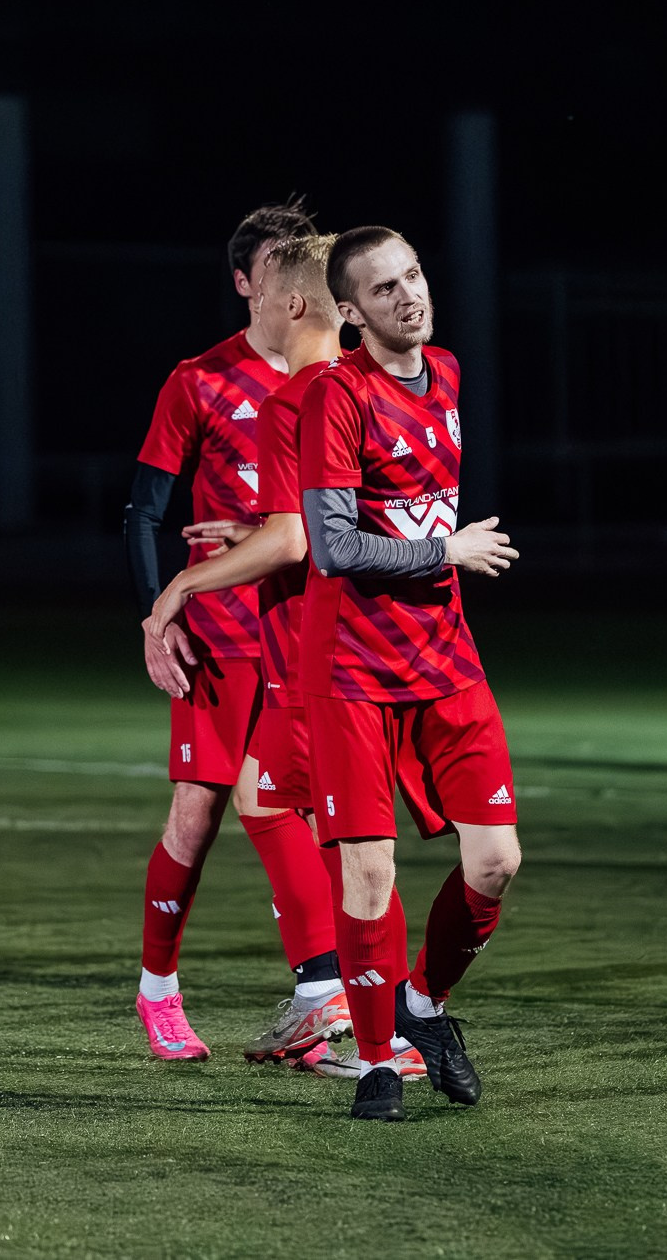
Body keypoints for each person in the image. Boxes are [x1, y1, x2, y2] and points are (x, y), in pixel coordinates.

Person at [145, 234, 426, 1081]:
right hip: (372, 647)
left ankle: (368, 1026)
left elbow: (298, 536)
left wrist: (183, 586)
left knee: (333, 832)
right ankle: (363, 1013)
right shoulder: (385, 383)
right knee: (296, 812)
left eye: (268, 290)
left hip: (320, 656)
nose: (255, 304)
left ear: (294, 302)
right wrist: (255, 537)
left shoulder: (300, 397)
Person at [298, 226, 522, 1121]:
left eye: (415, 275)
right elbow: (332, 545)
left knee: (497, 861)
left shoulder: (451, 374)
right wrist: (448, 548)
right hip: (353, 670)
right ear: (350, 312)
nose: (409, 296)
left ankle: (423, 1005)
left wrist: (444, 559)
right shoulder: (335, 399)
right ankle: (381, 1060)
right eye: (384, 289)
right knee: (367, 879)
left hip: (446, 661)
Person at [122, 201, 336, 1061]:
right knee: (196, 816)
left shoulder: (332, 380)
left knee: (309, 814)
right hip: (218, 635)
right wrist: (154, 615)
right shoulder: (199, 380)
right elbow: (143, 512)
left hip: (303, 628)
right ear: (250, 284)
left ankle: (321, 998)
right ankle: (159, 989)